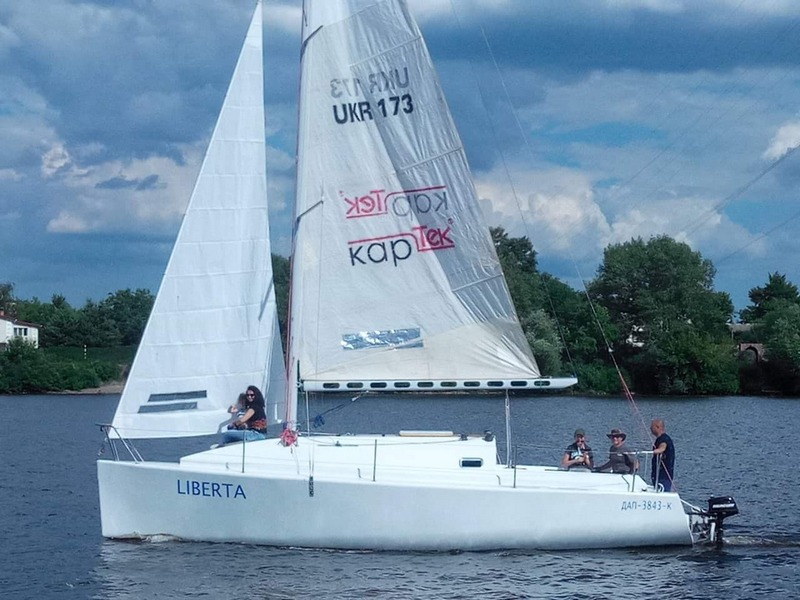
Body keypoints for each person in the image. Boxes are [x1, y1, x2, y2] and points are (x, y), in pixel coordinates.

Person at [650, 418, 675, 491]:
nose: (650, 429)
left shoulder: (664, 439)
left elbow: (662, 448)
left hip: (664, 476)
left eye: (652, 427)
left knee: (663, 491)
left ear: (657, 427)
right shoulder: (659, 439)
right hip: (658, 475)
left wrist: (653, 452)